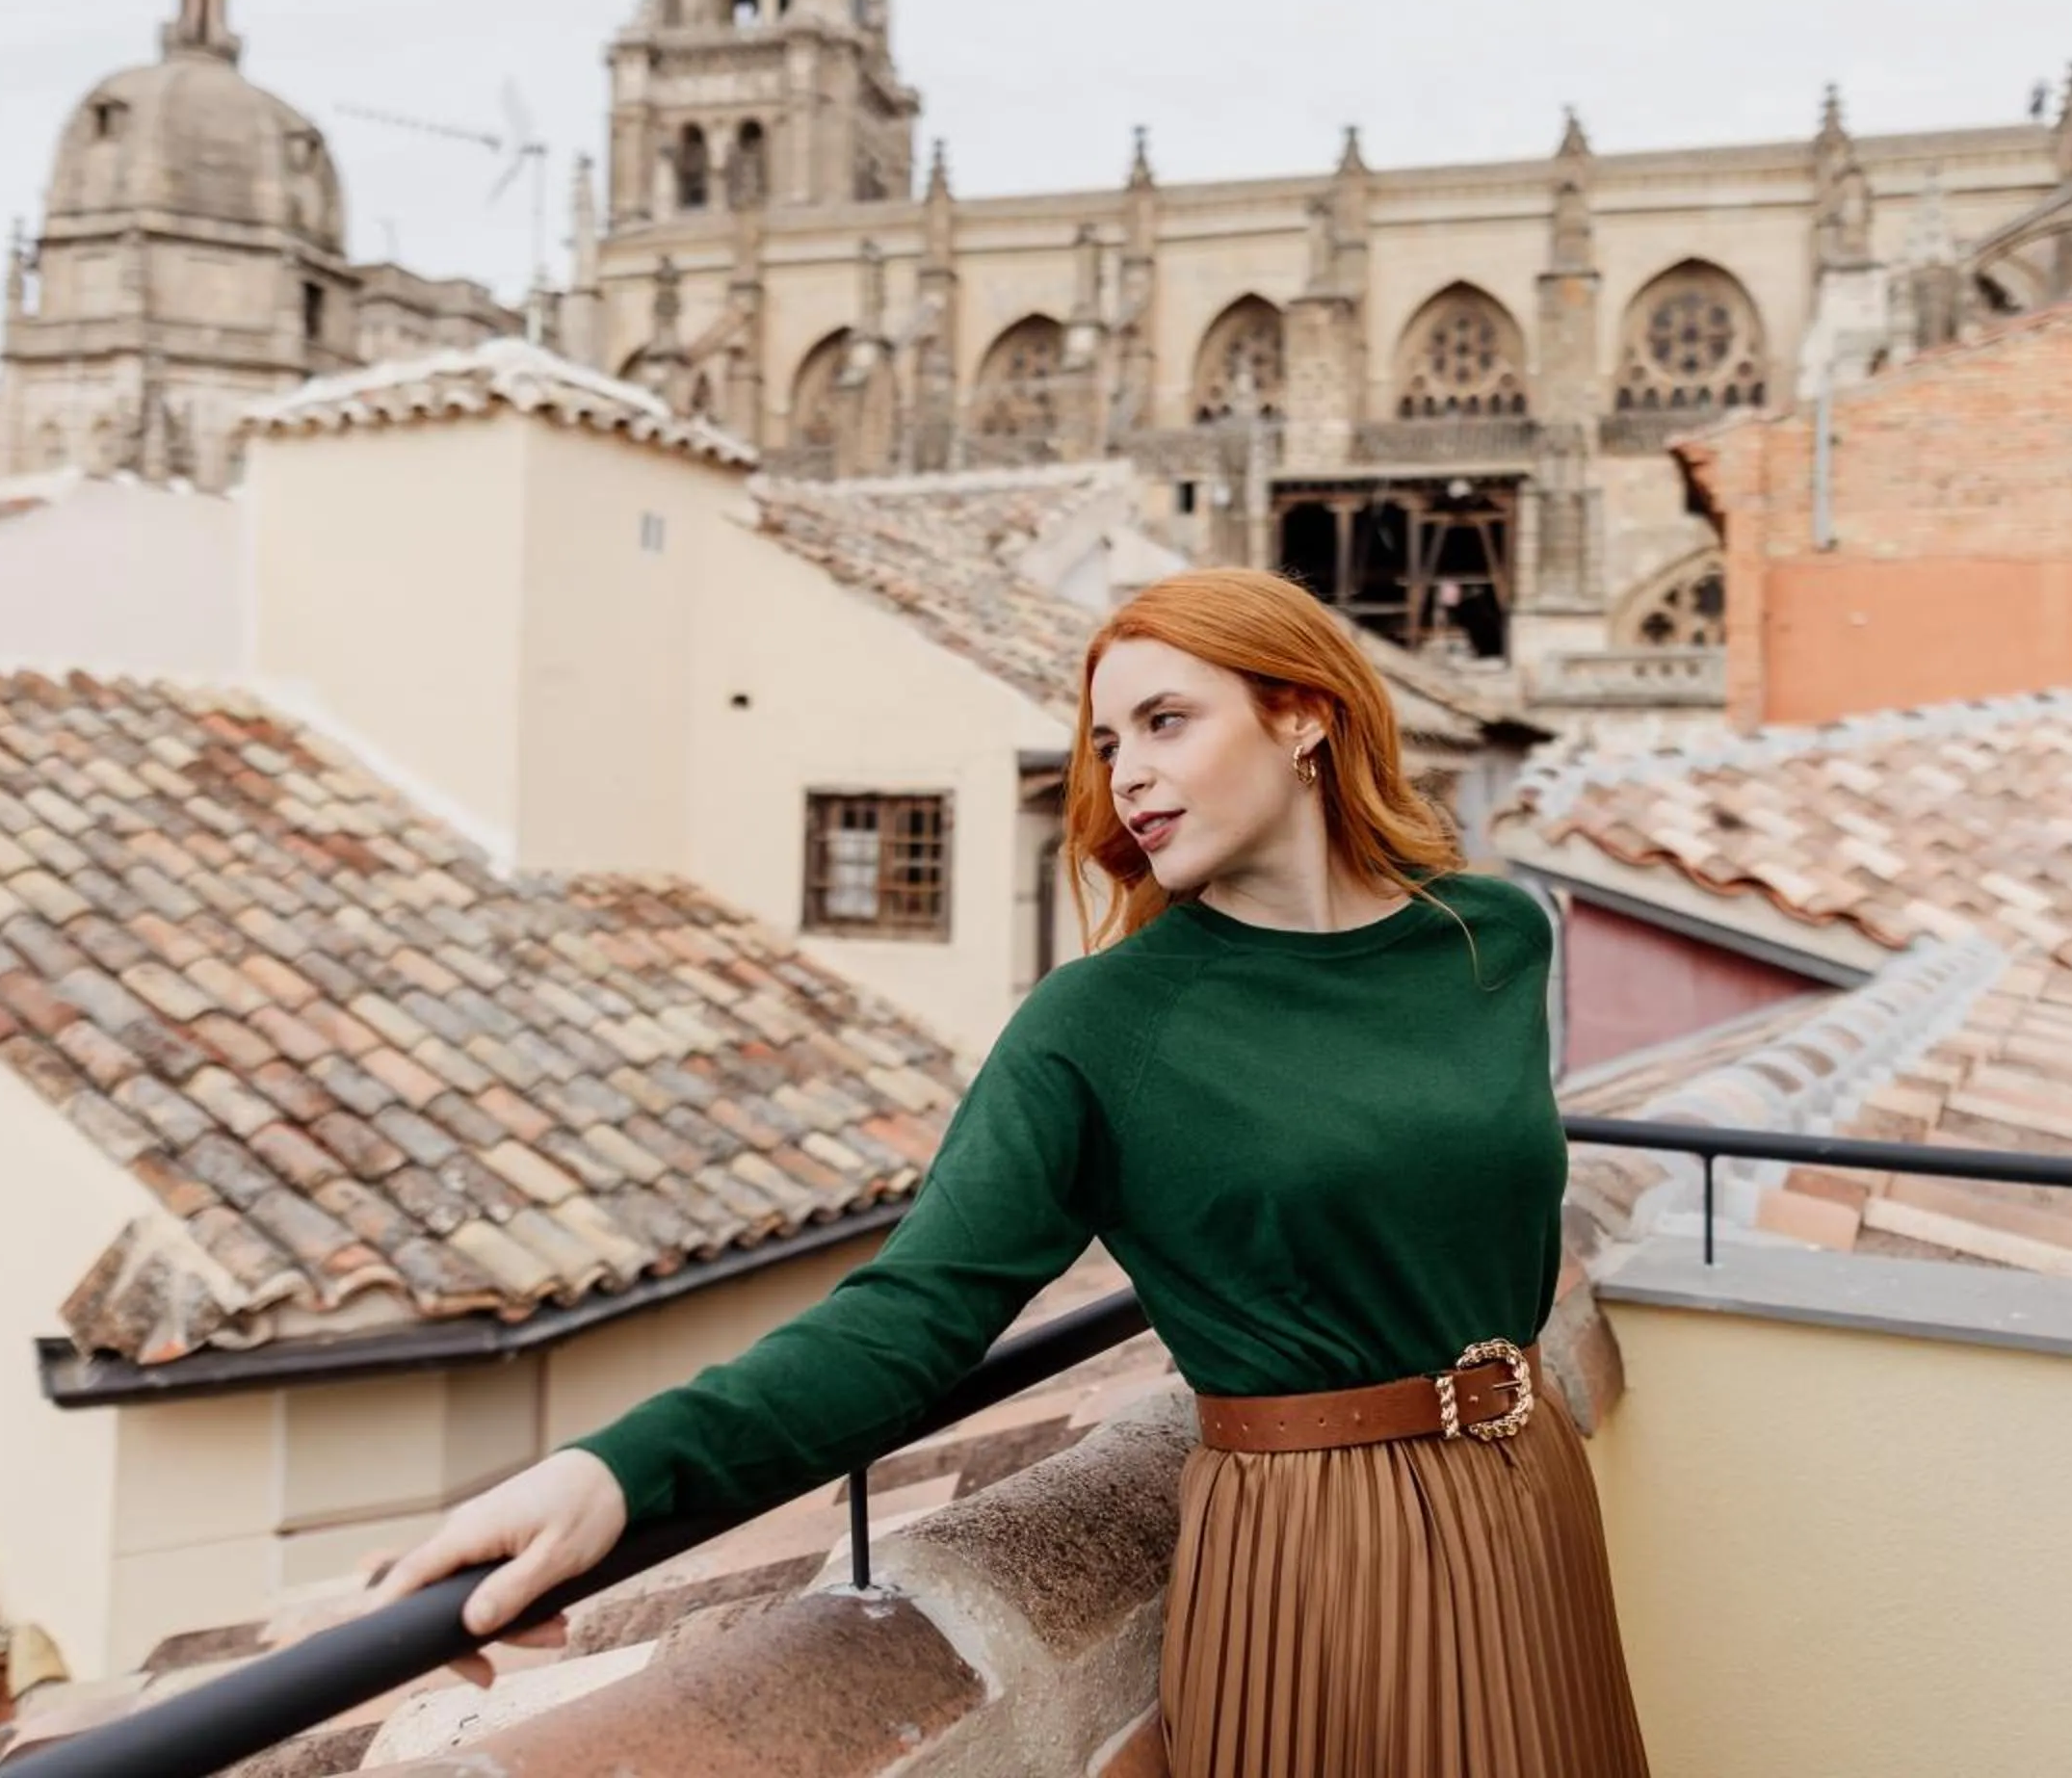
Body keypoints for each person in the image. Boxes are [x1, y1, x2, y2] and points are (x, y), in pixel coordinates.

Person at [375, 566, 1648, 1775]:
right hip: (1317, 1546)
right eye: (1107, 745)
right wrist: (615, 1473)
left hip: (1530, 1496)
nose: (1129, 776)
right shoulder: (1100, 1026)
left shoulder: (1486, 936)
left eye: (1165, 722)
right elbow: (915, 1312)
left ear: (1302, 716)